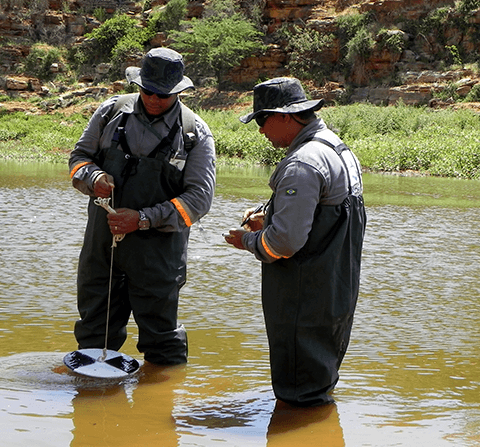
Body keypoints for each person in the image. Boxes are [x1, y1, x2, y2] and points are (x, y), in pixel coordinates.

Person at [225, 77, 366, 406]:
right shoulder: (338, 148)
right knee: (317, 384)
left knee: (298, 393)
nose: (261, 130)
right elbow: (322, 216)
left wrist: (248, 239)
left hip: (303, 298)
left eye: (263, 119)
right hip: (334, 292)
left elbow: (285, 243)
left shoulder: (302, 162)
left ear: (286, 116)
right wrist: (270, 214)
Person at [69, 48, 216, 365]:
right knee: (94, 335)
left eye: (162, 95)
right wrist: (92, 175)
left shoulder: (194, 133)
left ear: (177, 91)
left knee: (162, 343)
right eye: (147, 91)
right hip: (102, 246)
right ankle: (93, 407)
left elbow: (199, 200)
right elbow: (78, 159)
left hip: (158, 254)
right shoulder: (110, 113)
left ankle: (163, 406)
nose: (153, 99)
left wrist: (144, 219)